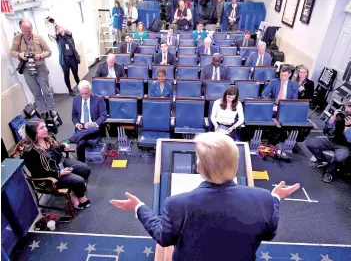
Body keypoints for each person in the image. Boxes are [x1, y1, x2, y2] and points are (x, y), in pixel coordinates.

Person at [110, 132, 300, 261]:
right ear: (236, 164)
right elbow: (269, 232)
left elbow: (163, 237)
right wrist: (275, 197)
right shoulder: (265, 199)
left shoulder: (177, 203)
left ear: (199, 168)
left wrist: (138, 207)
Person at [21, 118, 91, 209]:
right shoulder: (30, 152)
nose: (46, 129)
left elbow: (55, 148)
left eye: (45, 126)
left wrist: (63, 146)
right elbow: (39, 172)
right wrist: (59, 173)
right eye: (41, 128)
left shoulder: (49, 137)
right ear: (33, 132)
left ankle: (75, 191)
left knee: (85, 169)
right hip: (49, 176)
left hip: (60, 163)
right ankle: (78, 196)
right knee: (79, 181)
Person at [10, 18, 56, 118]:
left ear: (32, 28)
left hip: (40, 67)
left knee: (46, 90)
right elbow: (12, 51)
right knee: (36, 92)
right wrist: (20, 54)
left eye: (29, 30)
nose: (28, 33)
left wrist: (40, 56)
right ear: (21, 29)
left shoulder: (38, 38)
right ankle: (44, 111)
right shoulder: (17, 39)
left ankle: (52, 109)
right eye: (25, 31)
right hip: (27, 69)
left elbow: (49, 51)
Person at [306, 101, 351, 183]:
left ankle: (330, 171)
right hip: (332, 139)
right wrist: (333, 118)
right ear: (346, 106)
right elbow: (327, 131)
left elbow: (349, 140)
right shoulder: (341, 116)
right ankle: (322, 160)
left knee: (339, 157)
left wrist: (347, 127)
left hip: (344, 146)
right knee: (310, 143)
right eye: (349, 106)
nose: (349, 109)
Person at [71, 80, 107, 162]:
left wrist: (94, 123)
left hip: (94, 127)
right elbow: (74, 115)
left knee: (91, 129)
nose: (84, 96)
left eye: (86, 93)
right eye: (82, 93)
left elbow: (103, 115)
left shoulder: (99, 99)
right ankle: (81, 163)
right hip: (81, 127)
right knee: (80, 143)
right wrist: (77, 124)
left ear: (90, 91)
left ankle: (72, 138)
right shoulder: (76, 99)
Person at [49, 24, 80, 97]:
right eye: (57, 28)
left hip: (73, 58)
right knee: (66, 75)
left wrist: (57, 23)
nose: (59, 28)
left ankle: (80, 86)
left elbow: (66, 30)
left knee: (75, 73)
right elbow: (50, 34)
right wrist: (49, 25)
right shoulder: (58, 38)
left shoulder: (69, 35)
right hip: (64, 60)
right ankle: (70, 90)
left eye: (59, 27)